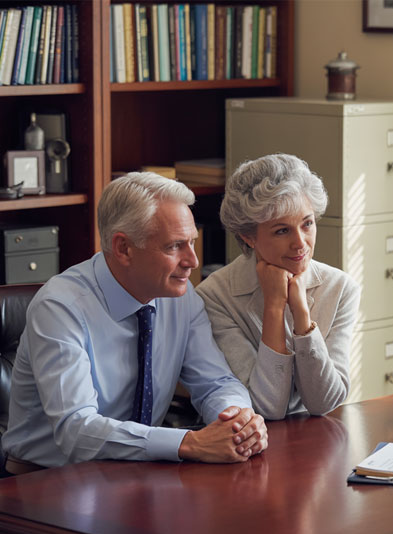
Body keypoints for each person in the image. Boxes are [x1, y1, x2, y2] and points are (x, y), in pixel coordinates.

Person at [2, 172, 268, 476]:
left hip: (137, 475)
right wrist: (190, 443)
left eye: (192, 242)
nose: (193, 261)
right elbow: (76, 430)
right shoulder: (60, 307)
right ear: (124, 248)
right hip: (43, 483)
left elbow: (216, 383)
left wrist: (236, 420)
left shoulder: (181, 296)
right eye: (175, 246)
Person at [196, 154, 360, 420]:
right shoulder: (214, 296)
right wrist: (274, 306)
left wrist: (301, 313)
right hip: (252, 443)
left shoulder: (340, 288)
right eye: (282, 231)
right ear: (248, 237)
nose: (300, 243)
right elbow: (266, 407)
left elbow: (324, 403)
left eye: (307, 224)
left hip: (317, 442)